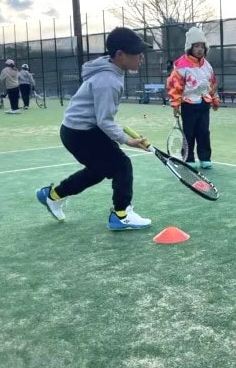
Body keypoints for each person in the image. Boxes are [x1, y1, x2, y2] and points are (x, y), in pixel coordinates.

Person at [36, 27, 152, 230]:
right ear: (120, 55)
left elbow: (102, 118)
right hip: (80, 133)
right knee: (121, 164)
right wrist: (127, 140)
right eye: (136, 52)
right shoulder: (108, 80)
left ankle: (53, 195)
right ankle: (121, 214)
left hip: (79, 129)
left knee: (100, 170)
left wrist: (122, 136)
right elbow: (104, 121)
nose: (141, 57)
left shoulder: (112, 70)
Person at [166, 27, 220, 168]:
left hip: (204, 104)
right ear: (190, 47)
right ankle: (188, 158)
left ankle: (205, 158)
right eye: (196, 46)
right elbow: (174, 85)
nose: (200, 49)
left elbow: (212, 84)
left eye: (202, 46)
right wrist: (175, 104)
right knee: (189, 133)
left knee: (204, 132)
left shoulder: (207, 66)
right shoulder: (181, 65)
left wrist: (214, 99)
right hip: (188, 105)